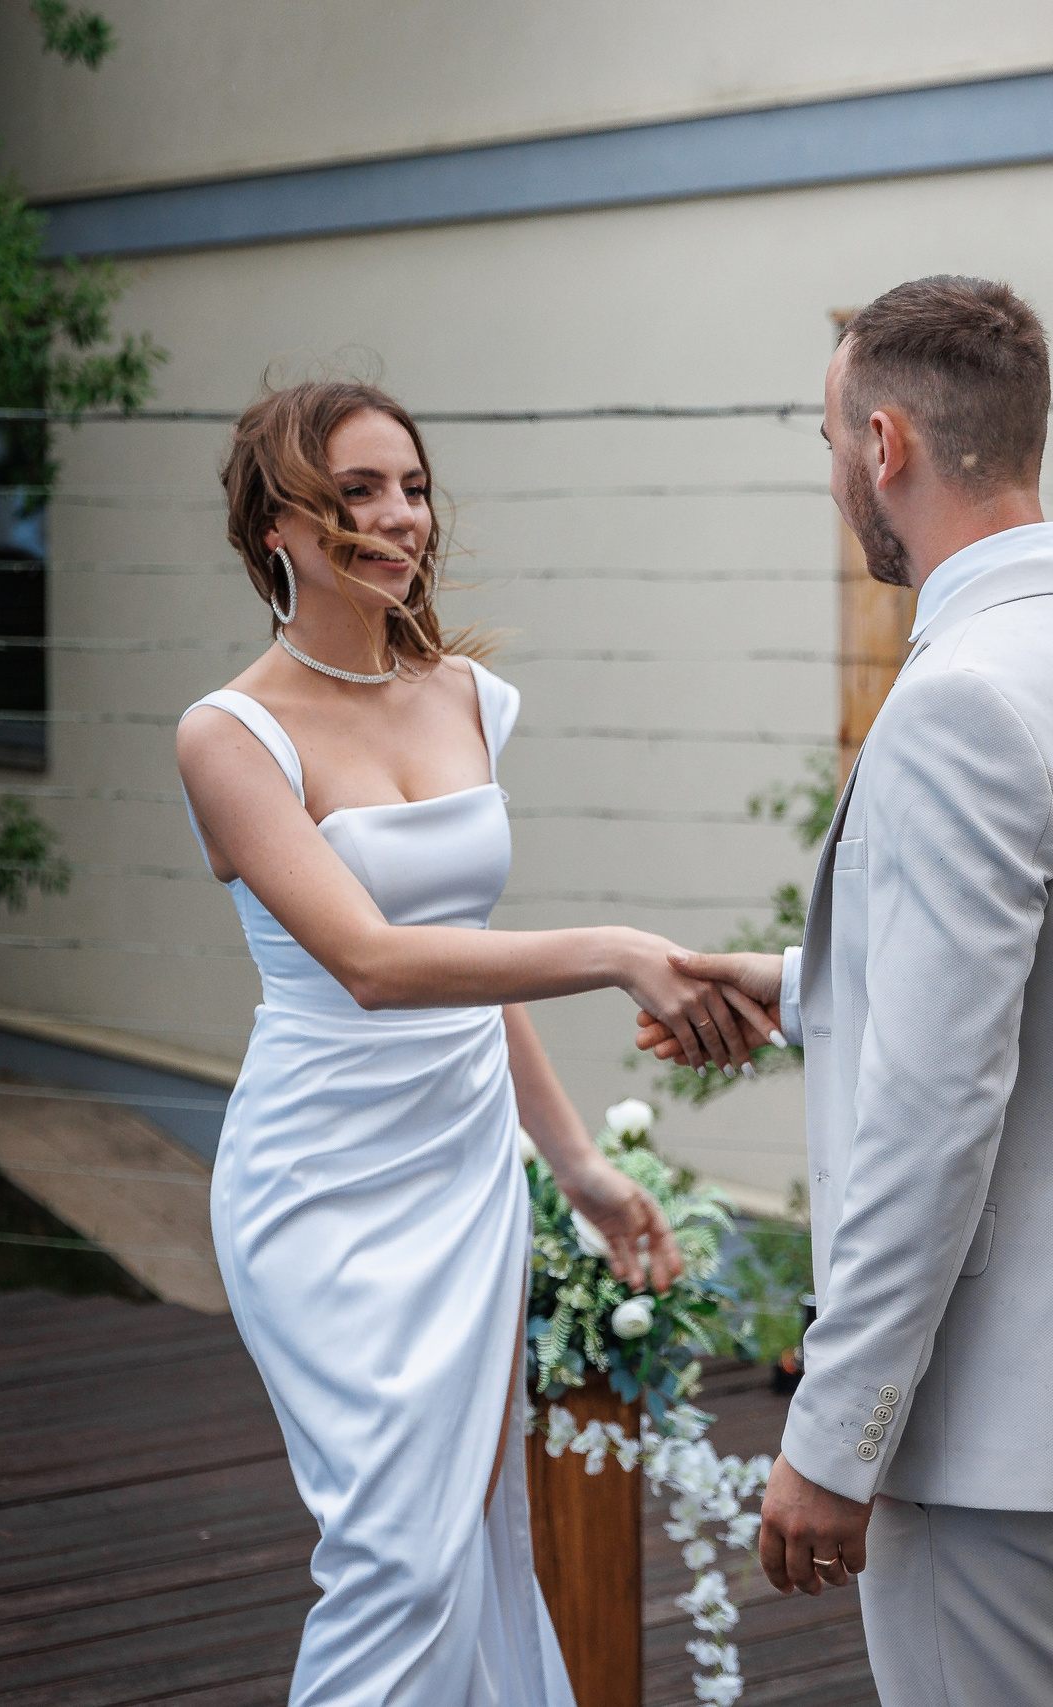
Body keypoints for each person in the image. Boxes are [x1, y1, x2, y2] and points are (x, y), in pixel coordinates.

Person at [643, 278, 1053, 1705]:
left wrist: (836, 1432)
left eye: (827, 443)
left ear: (885, 447)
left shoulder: (958, 704)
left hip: (1007, 1417)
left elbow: (938, 1106)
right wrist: (810, 983)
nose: (831, 482)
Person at [175, 380, 770, 1705]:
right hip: (319, 1185)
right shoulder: (228, 736)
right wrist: (617, 950)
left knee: (470, 1541)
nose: (399, 518)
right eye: (357, 493)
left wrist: (579, 1172)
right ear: (276, 523)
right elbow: (379, 965)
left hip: (463, 1176)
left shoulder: (467, 701)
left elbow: (469, 958)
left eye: (413, 487)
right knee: (395, 1552)